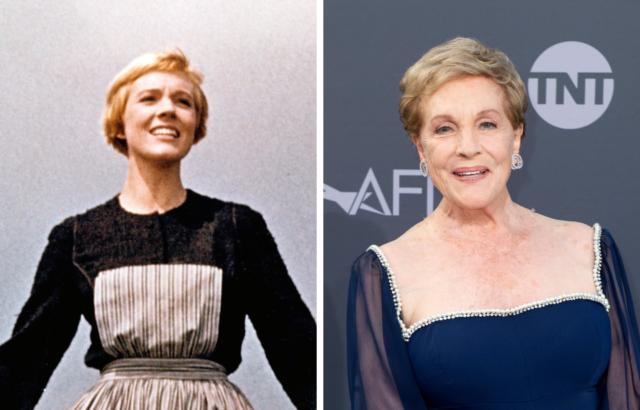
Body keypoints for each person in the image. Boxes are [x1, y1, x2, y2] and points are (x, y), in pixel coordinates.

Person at [0, 49, 316, 410]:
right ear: (119, 123)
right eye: (149, 98)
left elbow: (296, 349)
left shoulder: (235, 228)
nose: (167, 110)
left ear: (196, 126)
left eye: (183, 102)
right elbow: (24, 362)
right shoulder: (76, 236)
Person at [347, 37, 640, 409]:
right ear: (420, 148)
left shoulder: (589, 248)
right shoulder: (385, 272)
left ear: (516, 136)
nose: (468, 146)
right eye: (444, 129)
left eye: (487, 124)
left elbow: (627, 397)